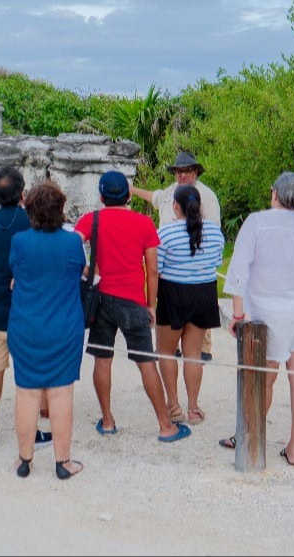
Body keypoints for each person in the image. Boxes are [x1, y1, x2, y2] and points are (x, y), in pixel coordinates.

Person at [222, 172, 294, 465]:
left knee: (262, 380)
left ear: (274, 193)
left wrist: (238, 314)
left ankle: (248, 437)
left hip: (269, 312)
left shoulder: (257, 222)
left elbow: (239, 269)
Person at [77, 171, 188, 443]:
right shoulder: (143, 223)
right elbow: (152, 268)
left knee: (102, 360)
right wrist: (152, 304)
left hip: (101, 296)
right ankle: (165, 425)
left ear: (102, 197)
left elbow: (70, 244)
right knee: (146, 362)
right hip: (132, 299)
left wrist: (85, 268)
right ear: (128, 195)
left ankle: (107, 420)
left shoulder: (92, 220)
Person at [8, 182, 87, 480]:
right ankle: (62, 461)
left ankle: (25, 459)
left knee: (26, 394)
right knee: (61, 393)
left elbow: (15, 270)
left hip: (26, 325)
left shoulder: (19, 242)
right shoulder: (71, 243)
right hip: (64, 326)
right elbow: (79, 269)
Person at [0, 166, 50, 451]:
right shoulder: (32, 222)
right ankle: (32, 431)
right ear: (22, 193)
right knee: (28, 374)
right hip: (26, 310)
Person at [129, 151, 221, 362]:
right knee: (171, 311)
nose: (183, 176)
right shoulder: (171, 192)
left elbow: (213, 231)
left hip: (193, 258)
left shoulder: (206, 197)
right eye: (179, 172)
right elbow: (154, 197)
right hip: (169, 260)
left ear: (196, 172)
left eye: (188, 171)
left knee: (197, 314)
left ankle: (202, 348)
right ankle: (175, 346)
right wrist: (131, 190)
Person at [154, 185, 223, 427]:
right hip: (203, 294)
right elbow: (215, 262)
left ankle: (173, 406)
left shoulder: (165, 233)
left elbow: (157, 269)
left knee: (166, 352)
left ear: (175, 205)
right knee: (193, 355)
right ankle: (193, 407)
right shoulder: (215, 233)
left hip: (173, 294)